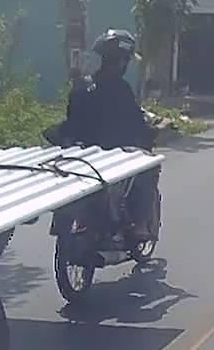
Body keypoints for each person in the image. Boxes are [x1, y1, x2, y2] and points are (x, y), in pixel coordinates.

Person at [60, 28, 159, 242]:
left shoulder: (82, 86)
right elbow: (135, 123)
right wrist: (151, 130)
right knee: (149, 167)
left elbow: (71, 119)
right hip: (114, 153)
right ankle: (140, 224)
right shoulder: (121, 89)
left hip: (81, 152)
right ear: (122, 62)